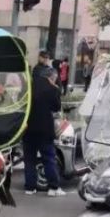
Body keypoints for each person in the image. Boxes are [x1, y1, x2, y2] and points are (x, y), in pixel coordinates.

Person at [23, 66, 66, 197]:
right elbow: (56, 107)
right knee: (48, 158)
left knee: (29, 159)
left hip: (28, 128)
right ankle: (53, 188)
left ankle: (30, 188)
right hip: (44, 129)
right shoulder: (53, 89)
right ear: (51, 77)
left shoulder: (28, 87)